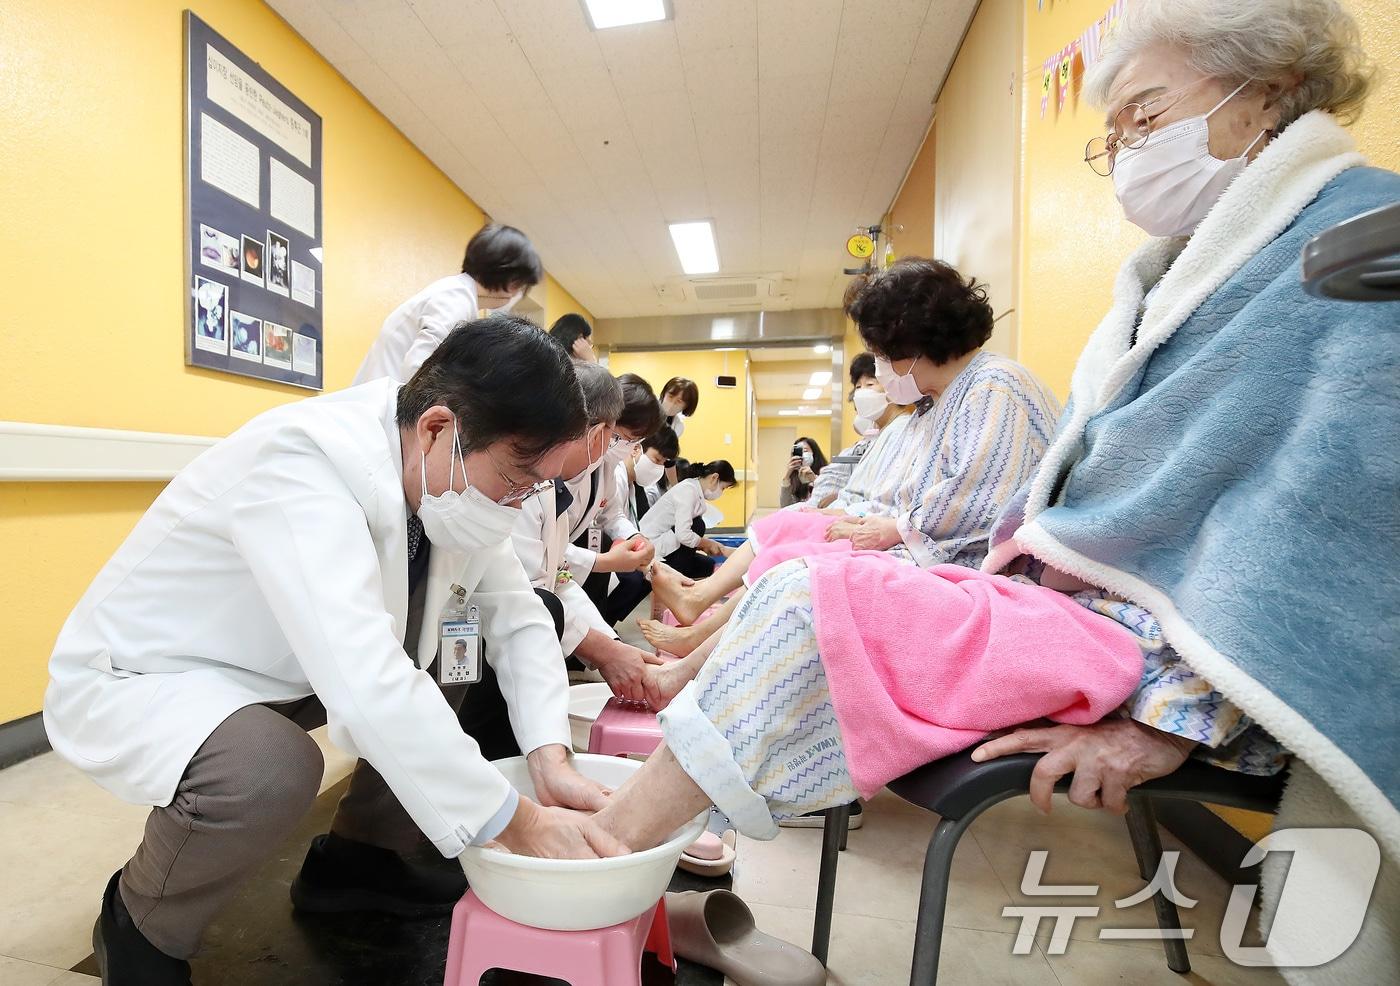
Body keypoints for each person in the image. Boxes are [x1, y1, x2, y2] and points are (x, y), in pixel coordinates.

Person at [590, 0, 1397, 882]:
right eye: (1115, 132)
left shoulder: (1349, 248)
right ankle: (649, 837)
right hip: (1068, 611)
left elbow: (1325, 527)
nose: (1128, 150)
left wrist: (1166, 721)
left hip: (1143, 656)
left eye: (1148, 114)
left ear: (1269, 90)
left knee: (801, 584)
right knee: (801, 571)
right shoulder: (1188, 280)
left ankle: (612, 856)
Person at [50, 317, 631, 985]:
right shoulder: (304, 462)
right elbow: (363, 677)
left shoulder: (446, 478)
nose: (517, 502)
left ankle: (362, 856)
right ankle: (140, 923)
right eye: (517, 477)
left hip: (285, 668)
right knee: (270, 769)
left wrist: (548, 757)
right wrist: (517, 820)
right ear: (439, 427)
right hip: (156, 669)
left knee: (455, 651)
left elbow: (519, 616)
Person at [644, 258, 1061, 647]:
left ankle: (694, 642)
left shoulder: (994, 389)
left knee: (795, 569)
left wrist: (888, 527)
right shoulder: (952, 396)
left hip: (962, 562)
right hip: (920, 538)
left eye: (881, 356)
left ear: (908, 343)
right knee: (792, 539)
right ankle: (696, 623)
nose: (879, 369)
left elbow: (974, 507)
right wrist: (874, 521)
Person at [511, 363, 663, 703]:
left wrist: (611, 647)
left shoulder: (578, 477)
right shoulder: (532, 485)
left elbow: (556, 576)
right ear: (597, 433)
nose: (621, 448)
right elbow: (529, 586)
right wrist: (605, 651)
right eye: (618, 437)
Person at [354, 223, 543, 385]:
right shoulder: (456, 299)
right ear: (509, 281)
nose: (517, 294)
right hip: (378, 411)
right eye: (519, 286)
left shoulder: (456, 293)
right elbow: (418, 367)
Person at [809, 353, 909, 509]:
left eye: (870, 384)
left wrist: (840, 504)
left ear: (891, 386)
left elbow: (883, 501)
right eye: (858, 387)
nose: (862, 392)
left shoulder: (901, 431)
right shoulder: (880, 436)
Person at [638, 460, 737, 580]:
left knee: (707, 565)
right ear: (714, 478)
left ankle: (679, 573)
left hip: (666, 541)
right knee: (698, 525)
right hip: (654, 546)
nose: (721, 492)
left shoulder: (694, 489)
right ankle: (672, 576)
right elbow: (683, 534)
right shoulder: (688, 491)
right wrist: (707, 543)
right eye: (723, 488)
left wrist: (706, 545)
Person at [778, 437, 828, 507]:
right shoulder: (794, 476)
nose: (802, 455)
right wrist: (787, 477)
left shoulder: (825, 472)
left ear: (814, 453)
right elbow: (785, 505)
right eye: (799, 452)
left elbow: (828, 502)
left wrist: (815, 480)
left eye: (805, 450)